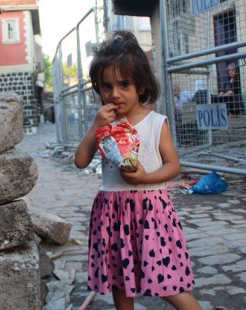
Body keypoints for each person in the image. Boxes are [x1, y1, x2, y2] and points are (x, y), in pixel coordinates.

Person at [74, 30, 201, 310]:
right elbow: (81, 161)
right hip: (112, 212)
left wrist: (145, 177)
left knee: (166, 282)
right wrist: (95, 126)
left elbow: (173, 166)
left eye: (124, 85)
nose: (114, 94)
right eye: (106, 86)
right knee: (120, 280)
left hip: (150, 213)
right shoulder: (103, 125)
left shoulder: (155, 123)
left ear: (141, 87)